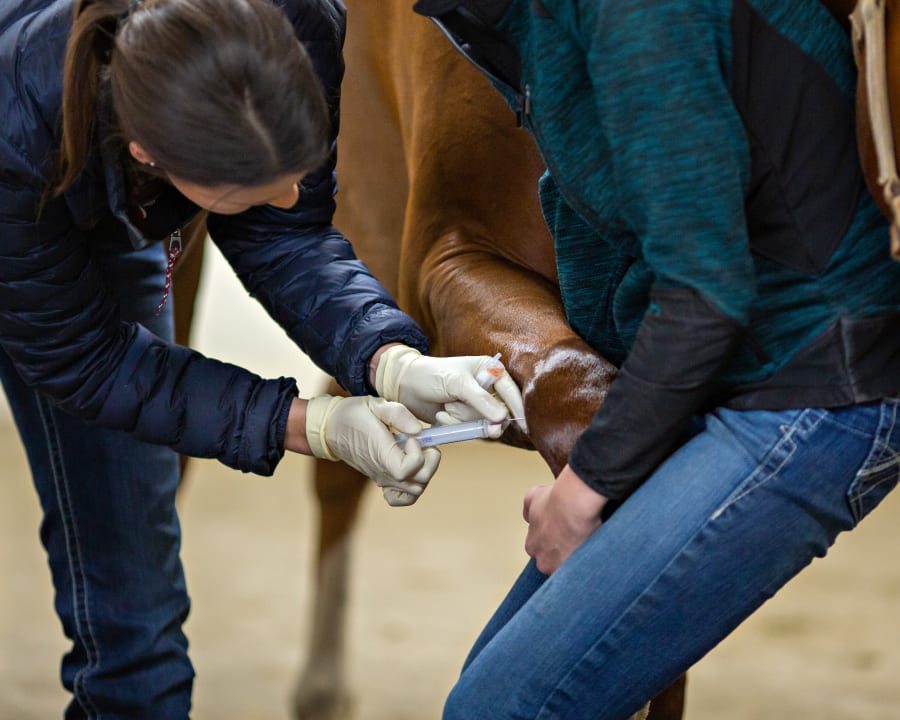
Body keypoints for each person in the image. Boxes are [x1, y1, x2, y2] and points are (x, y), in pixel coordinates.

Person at [0, 0, 527, 716]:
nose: (287, 193)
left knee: (141, 611)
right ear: (148, 156)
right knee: (128, 629)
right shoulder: (17, 145)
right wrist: (316, 425)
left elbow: (287, 230)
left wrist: (389, 359)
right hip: (29, 205)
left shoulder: (302, 19)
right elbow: (94, 367)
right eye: (246, 189)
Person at [408, 2, 900, 719]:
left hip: (814, 387)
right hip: (754, 373)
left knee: (499, 706)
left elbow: (707, 293)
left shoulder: (635, 14)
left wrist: (582, 494)